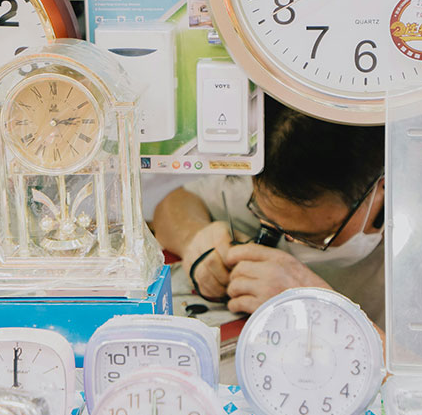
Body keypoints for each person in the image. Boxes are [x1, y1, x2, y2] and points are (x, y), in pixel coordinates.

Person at [153, 96, 387, 327]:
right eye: (263, 217)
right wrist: (195, 238)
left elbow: (419, 364)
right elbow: (173, 204)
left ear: (382, 189)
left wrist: (316, 306)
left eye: (311, 237)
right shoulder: (277, 176)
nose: (286, 240)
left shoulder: (418, 254)